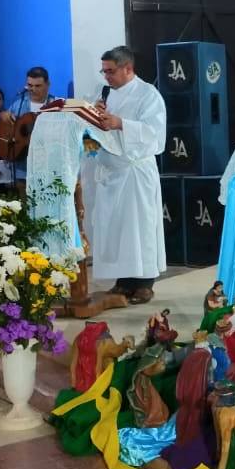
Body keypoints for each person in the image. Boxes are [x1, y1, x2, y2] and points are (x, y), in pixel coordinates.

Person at [89, 45, 167, 304]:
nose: (106, 76)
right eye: (103, 71)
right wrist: (93, 115)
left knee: (139, 227)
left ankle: (144, 283)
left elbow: (155, 133)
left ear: (128, 68)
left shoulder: (148, 94)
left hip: (135, 171)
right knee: (116, 229)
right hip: (112, 172)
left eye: (110, 71)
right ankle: (122, 281)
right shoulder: (105, 93)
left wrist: (120, 123)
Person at [8, 66, 52, 188]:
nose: (33, 89)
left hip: (49, 168)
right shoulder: (18, 105)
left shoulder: (57, 105)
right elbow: (5, 128)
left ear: (48, 85)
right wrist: (4, 116)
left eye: (38, 86)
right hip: (23, 170)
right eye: (30, 85)